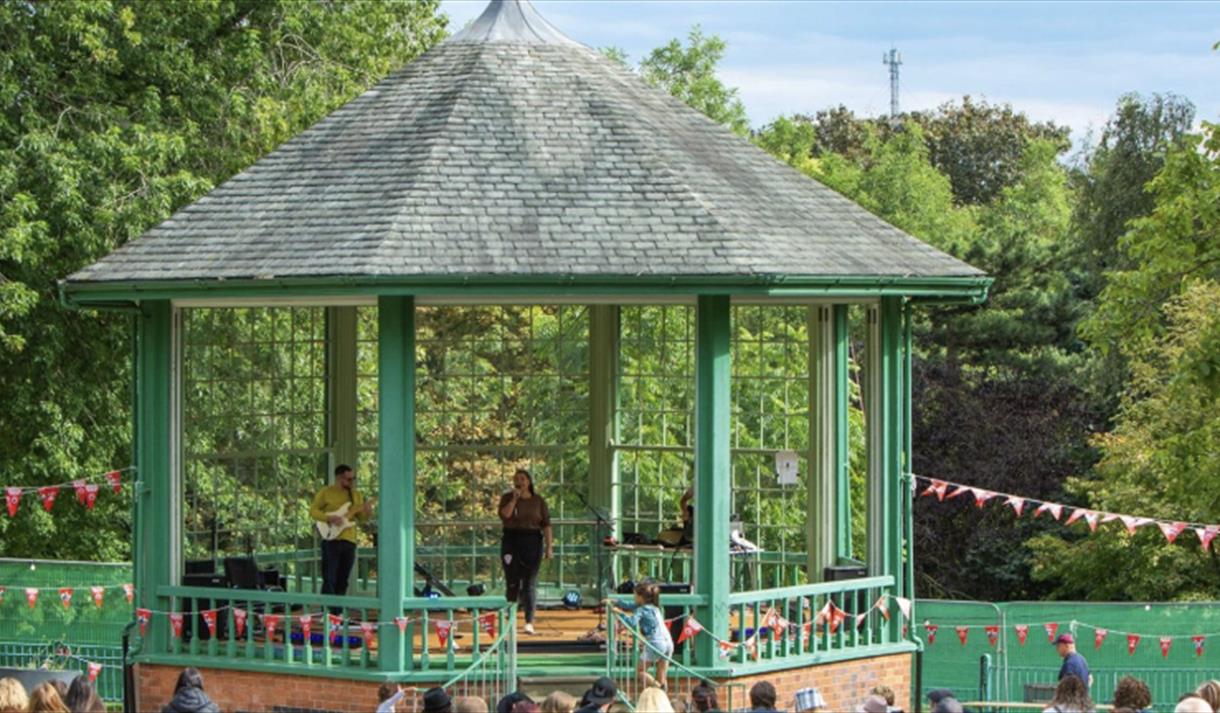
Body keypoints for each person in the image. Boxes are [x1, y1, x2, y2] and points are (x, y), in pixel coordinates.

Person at [309, 464, 375, 604]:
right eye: (348, 479)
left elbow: (362, 519)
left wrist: (368, 511)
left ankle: (338, 611)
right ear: (339, 478)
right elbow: (313, 511)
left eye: (353, 479)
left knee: (343, 579)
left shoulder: (356, 495)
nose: (351, 482)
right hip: (331, 539)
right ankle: (327, 611)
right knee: (329, 578)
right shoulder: (326, 492)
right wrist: (329, 518)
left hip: (349, 540)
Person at [498, 468, 552, 635]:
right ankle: (510, 618)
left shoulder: (538, 501)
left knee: (529, 583)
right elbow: (505, 515)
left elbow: (546, 525)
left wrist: (550, 547)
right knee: (512, 581)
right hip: (511, 540)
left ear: (529, 482)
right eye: (516, 479)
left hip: (532, 540)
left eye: (522, 479)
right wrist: (514, 500)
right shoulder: (507, 498)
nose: (519, 482)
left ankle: (529, 621)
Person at [609, 582, 674, 691]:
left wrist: (619, 613)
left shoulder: (641, 610)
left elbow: (632, 622)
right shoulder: (654, 608)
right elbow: (630, 605)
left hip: (656, 643)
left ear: (640, 597)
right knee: (661, 673)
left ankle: (659, 688)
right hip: (668, 642)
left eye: (634, 595)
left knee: (640, 671)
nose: (633, 597)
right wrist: (616, 602)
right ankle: (663, 697)